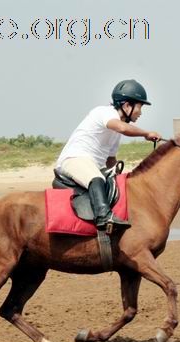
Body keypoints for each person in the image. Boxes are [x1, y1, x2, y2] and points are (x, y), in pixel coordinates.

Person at [55, 79, 162, 232]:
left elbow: (111, 159)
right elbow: (121, 127)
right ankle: (103, 216)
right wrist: (146, 133)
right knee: (95, 178)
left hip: (93, 164)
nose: (140, 112)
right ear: (127, 105)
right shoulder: (105, 112)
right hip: (74, 159)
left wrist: (119, 177)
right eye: (139, 107)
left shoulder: (116, 133)